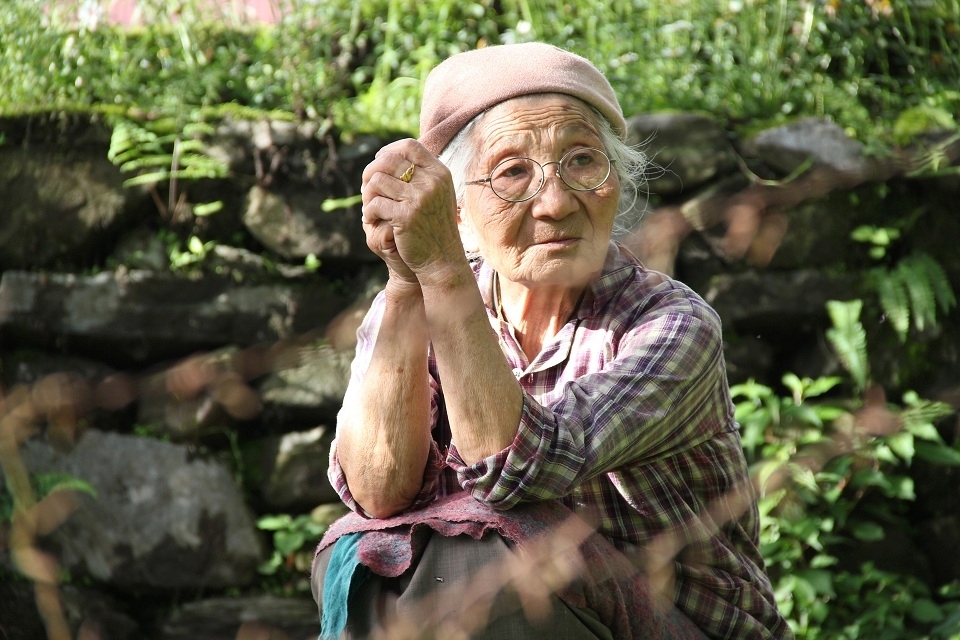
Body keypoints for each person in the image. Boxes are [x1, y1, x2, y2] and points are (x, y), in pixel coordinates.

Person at [311, 42, 793, 640]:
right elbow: (376, 495)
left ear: (618, 182)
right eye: (513, 172)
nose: (557, 202)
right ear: (455, 212)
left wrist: (441, 274)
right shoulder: (423, 300)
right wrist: (407, 282)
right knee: (363, 562)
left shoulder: (669, 324)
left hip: (685, 626)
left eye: (584, 161)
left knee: (476, 559)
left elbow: (515, 468)